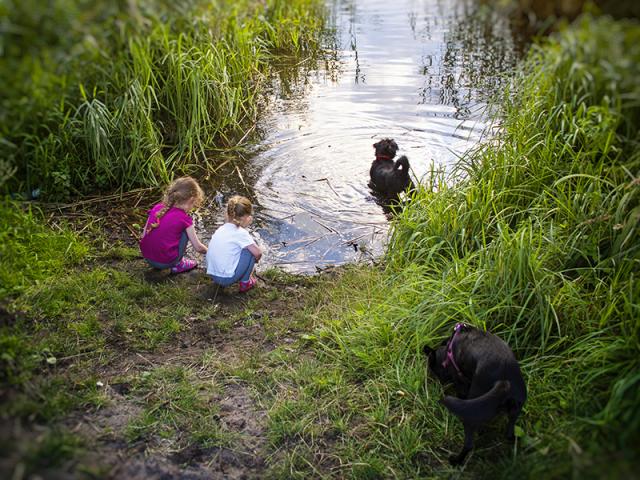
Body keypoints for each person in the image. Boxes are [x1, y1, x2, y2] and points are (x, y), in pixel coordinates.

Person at [140, 176, 208, 274]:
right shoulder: (184, 219)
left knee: (167, 229)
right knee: (185, 230)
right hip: (166, 262)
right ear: (191, 200)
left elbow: (143, 235)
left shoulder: (157, 207)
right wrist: (210, 251)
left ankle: (160, 257)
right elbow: (198, 247)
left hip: (147, 256)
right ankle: (178, 264)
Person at [206, 195, 262, 292]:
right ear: (246, 217)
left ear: (228, 214)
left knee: (240, 247)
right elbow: (258, 253)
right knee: (250, 251)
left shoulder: (221, 229)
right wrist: (255, 261)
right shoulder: (241, 233)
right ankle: (245, 282)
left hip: (213, 275)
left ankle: (232, 274)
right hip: (225, 279)